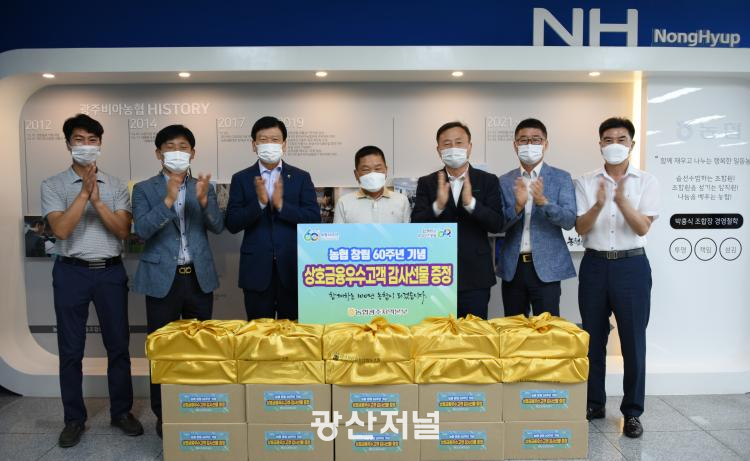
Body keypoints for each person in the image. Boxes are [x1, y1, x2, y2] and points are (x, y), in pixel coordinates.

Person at [40, 114, 143, 448]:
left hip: (110, 272)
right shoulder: (52, 184)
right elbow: (61, 229)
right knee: (71, 350)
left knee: (118, 346)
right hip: (70, 272)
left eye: (92, 140)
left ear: (100, 144)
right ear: (68, 143)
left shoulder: (115, 185)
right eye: (79, 139)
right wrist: (84, 194)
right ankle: (73, 419)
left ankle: (121, 412)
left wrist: (97, 198)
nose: (86, 145)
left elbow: (123, 230)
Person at [131, 124, 224, 437]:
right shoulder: (144, 189)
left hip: (198, 278)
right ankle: (163, 413)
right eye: (170, 147)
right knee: (163, 351)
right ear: (158, 153)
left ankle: (198, 407)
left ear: (193, 153)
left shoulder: (203, 187)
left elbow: (218, 227)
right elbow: (142, 230)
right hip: (162, 280)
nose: (177, 152)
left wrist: (206, 203)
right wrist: (168, 200)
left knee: (200, 350)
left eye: (183, 147)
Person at [575, 117, 660, 438]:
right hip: (595, 265)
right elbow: (581, 227)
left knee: (633, 341)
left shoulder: (646, 181)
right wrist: (599, 204)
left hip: (631, 267)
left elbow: (642, 227)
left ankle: (633, 412)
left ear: (631, 144)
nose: (614, 144)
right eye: (608, 139)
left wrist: (622, 201)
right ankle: (594, 403)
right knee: (593, 339)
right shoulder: (585, 181)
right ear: (600, 144)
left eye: (621, 139)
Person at [225, 116, 320, 320]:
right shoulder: (241, 178)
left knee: (293, 332)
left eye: (275, 140)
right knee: (259, 332)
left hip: (293, 268)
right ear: (254, 145)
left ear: (284, 144)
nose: (269, 144)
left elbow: (314, 219)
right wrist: (259, 204)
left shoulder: (301, 177)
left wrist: (282, 206)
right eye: (263, 140)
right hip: (256, 270)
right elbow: (232, 223)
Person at [411, 121, 503, 319]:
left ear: (469, 147)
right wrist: (438, 206)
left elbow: (497, 224)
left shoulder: (488, 180)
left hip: (476, 275)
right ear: (438, 150)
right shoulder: (427, 182)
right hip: (436, 275)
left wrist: (472, 204)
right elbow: (416, 224)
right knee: (438, 333)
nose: (453, 148)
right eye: (447, 144)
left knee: (474, 333)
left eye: (459, 143)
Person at [496, 118, 576, 317]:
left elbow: (569, 220)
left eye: (536, 139)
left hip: (547, 267)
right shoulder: (504, 181)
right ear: (515, 145)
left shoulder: (561, 177)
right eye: (523, 140)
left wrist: (544, 202)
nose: (529, 144)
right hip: (513, 267)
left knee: (547, 329)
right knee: (514, 329)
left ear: (545, 144)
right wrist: (517, 206)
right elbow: (498, 225)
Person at [334, 145, 411, 224]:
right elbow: (338, 231)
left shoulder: (401, 201)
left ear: (386, 170)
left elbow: (407, 231)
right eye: (366, 169)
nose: (373, 174)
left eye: (378, 168)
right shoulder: (344, 203)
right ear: (356, 174)